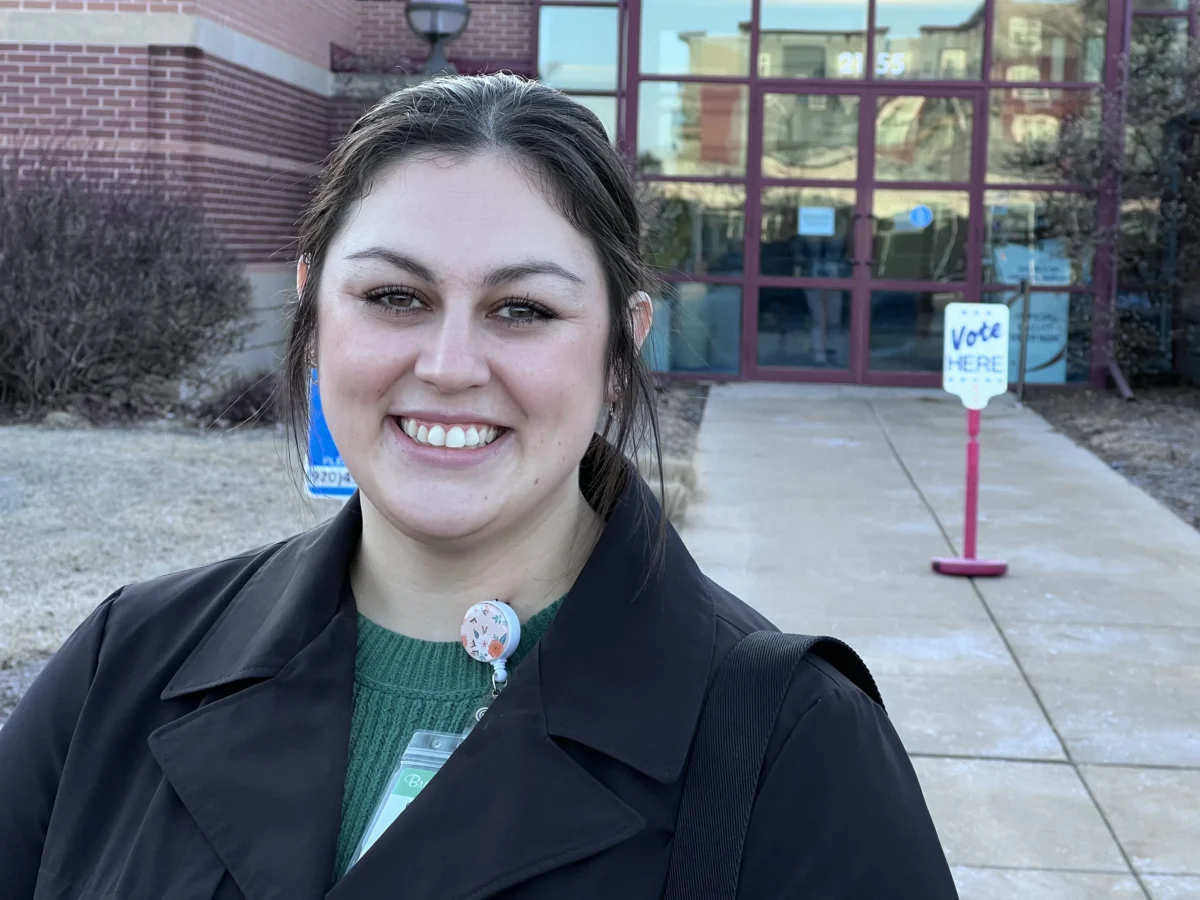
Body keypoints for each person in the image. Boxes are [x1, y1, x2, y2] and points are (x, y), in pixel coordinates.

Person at [0, 74, 958, 899]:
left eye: (522, 309)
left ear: (624, 343)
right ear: (313, 305)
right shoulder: (126, 666)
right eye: (393, 297)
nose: (451, 364)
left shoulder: (795, 746)